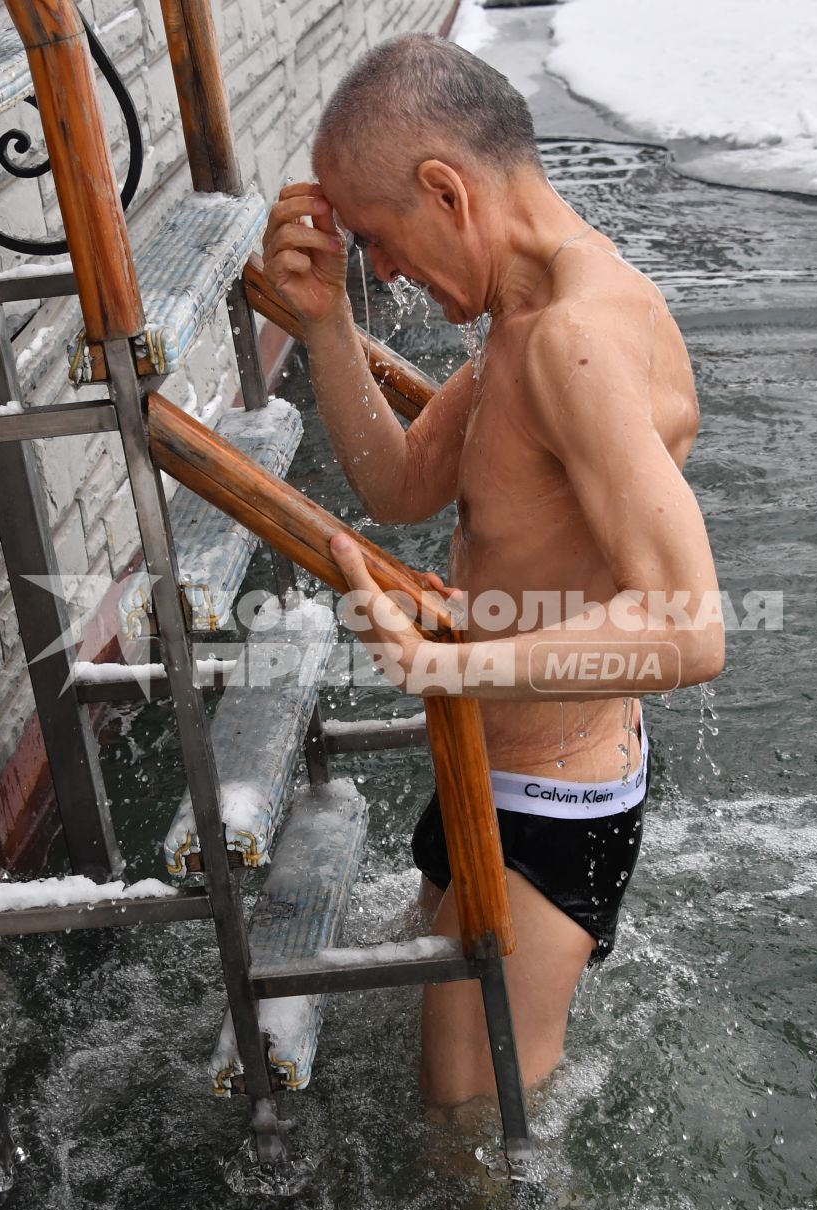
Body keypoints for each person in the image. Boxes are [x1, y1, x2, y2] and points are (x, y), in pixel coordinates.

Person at [262, 35, 726, 1112]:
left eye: (379, 240)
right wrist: (326, 324)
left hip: (551, 812)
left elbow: (692, 629)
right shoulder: (526, 314)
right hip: (494, 765)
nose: (387, 274)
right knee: (460, 1110)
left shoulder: (575, 340)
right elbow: (404, 481)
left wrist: (442, 667)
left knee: (473, 1142)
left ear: (445, 190)